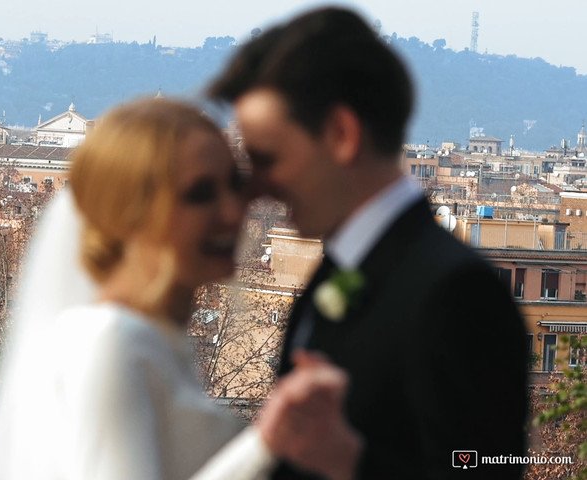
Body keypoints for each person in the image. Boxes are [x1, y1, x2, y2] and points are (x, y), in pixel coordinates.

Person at [209, 7, 528, 480]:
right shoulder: (337, 270)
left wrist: (348, 460)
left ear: (341, 135)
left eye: (266, 158)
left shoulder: (458, 295)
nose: (254, 187)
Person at [0, 98, 361, 480]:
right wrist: (265, 444)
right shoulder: (110, 341)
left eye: (235, 185)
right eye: (200, 193)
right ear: (131, 211)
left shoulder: (149, 342)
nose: (233, 211)